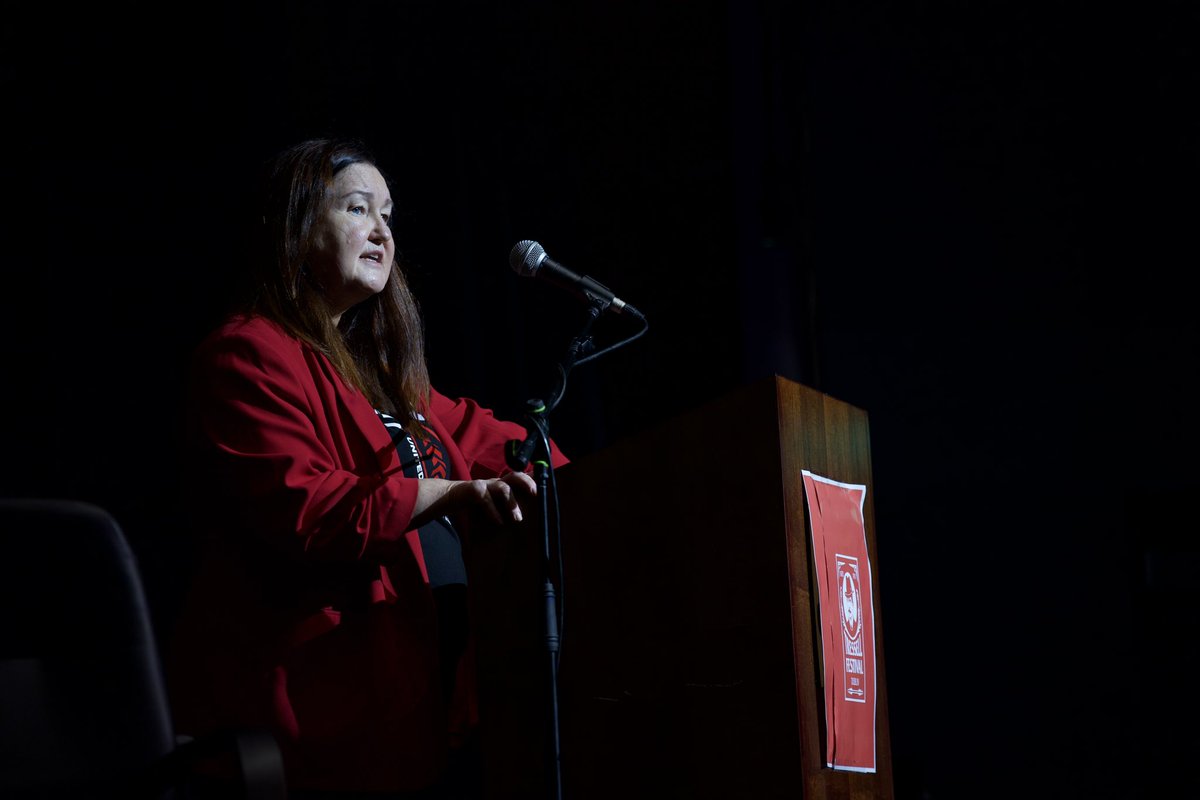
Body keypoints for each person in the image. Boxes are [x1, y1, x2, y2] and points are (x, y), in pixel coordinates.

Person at [165, 137, 568, 799]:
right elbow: (307, 508)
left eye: (388, 214)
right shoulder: (246, 355)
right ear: (296, 230)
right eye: (357, 209)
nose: (381, 230)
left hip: (422, 709)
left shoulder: (389, 387)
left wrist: (613, 479)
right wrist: (448, 493)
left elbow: (514, 443)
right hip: (317, 711)